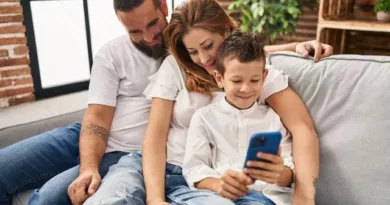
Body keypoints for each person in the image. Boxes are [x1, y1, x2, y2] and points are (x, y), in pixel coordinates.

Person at [0, 0, 330, 205]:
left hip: (170, 166)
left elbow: (298, 123)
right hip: (107, 142)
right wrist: (151, 196)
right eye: (194, 51)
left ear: (162, 8)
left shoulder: (246, 72)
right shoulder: (169, 61)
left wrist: (304, 193)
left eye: (209, 46)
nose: (204, 59)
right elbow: (132, 128)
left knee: (48, 198)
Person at [182, 30, 294, 205]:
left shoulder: (273, 119)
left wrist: (279, 173)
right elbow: (194, 168)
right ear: (219, 78)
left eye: (254, 80)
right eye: (236, 81)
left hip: (268, 197)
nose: (246, 89)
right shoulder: (204, 118)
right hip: (222, 197)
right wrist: (218, 184)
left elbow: (289, 169)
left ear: (264, 78)